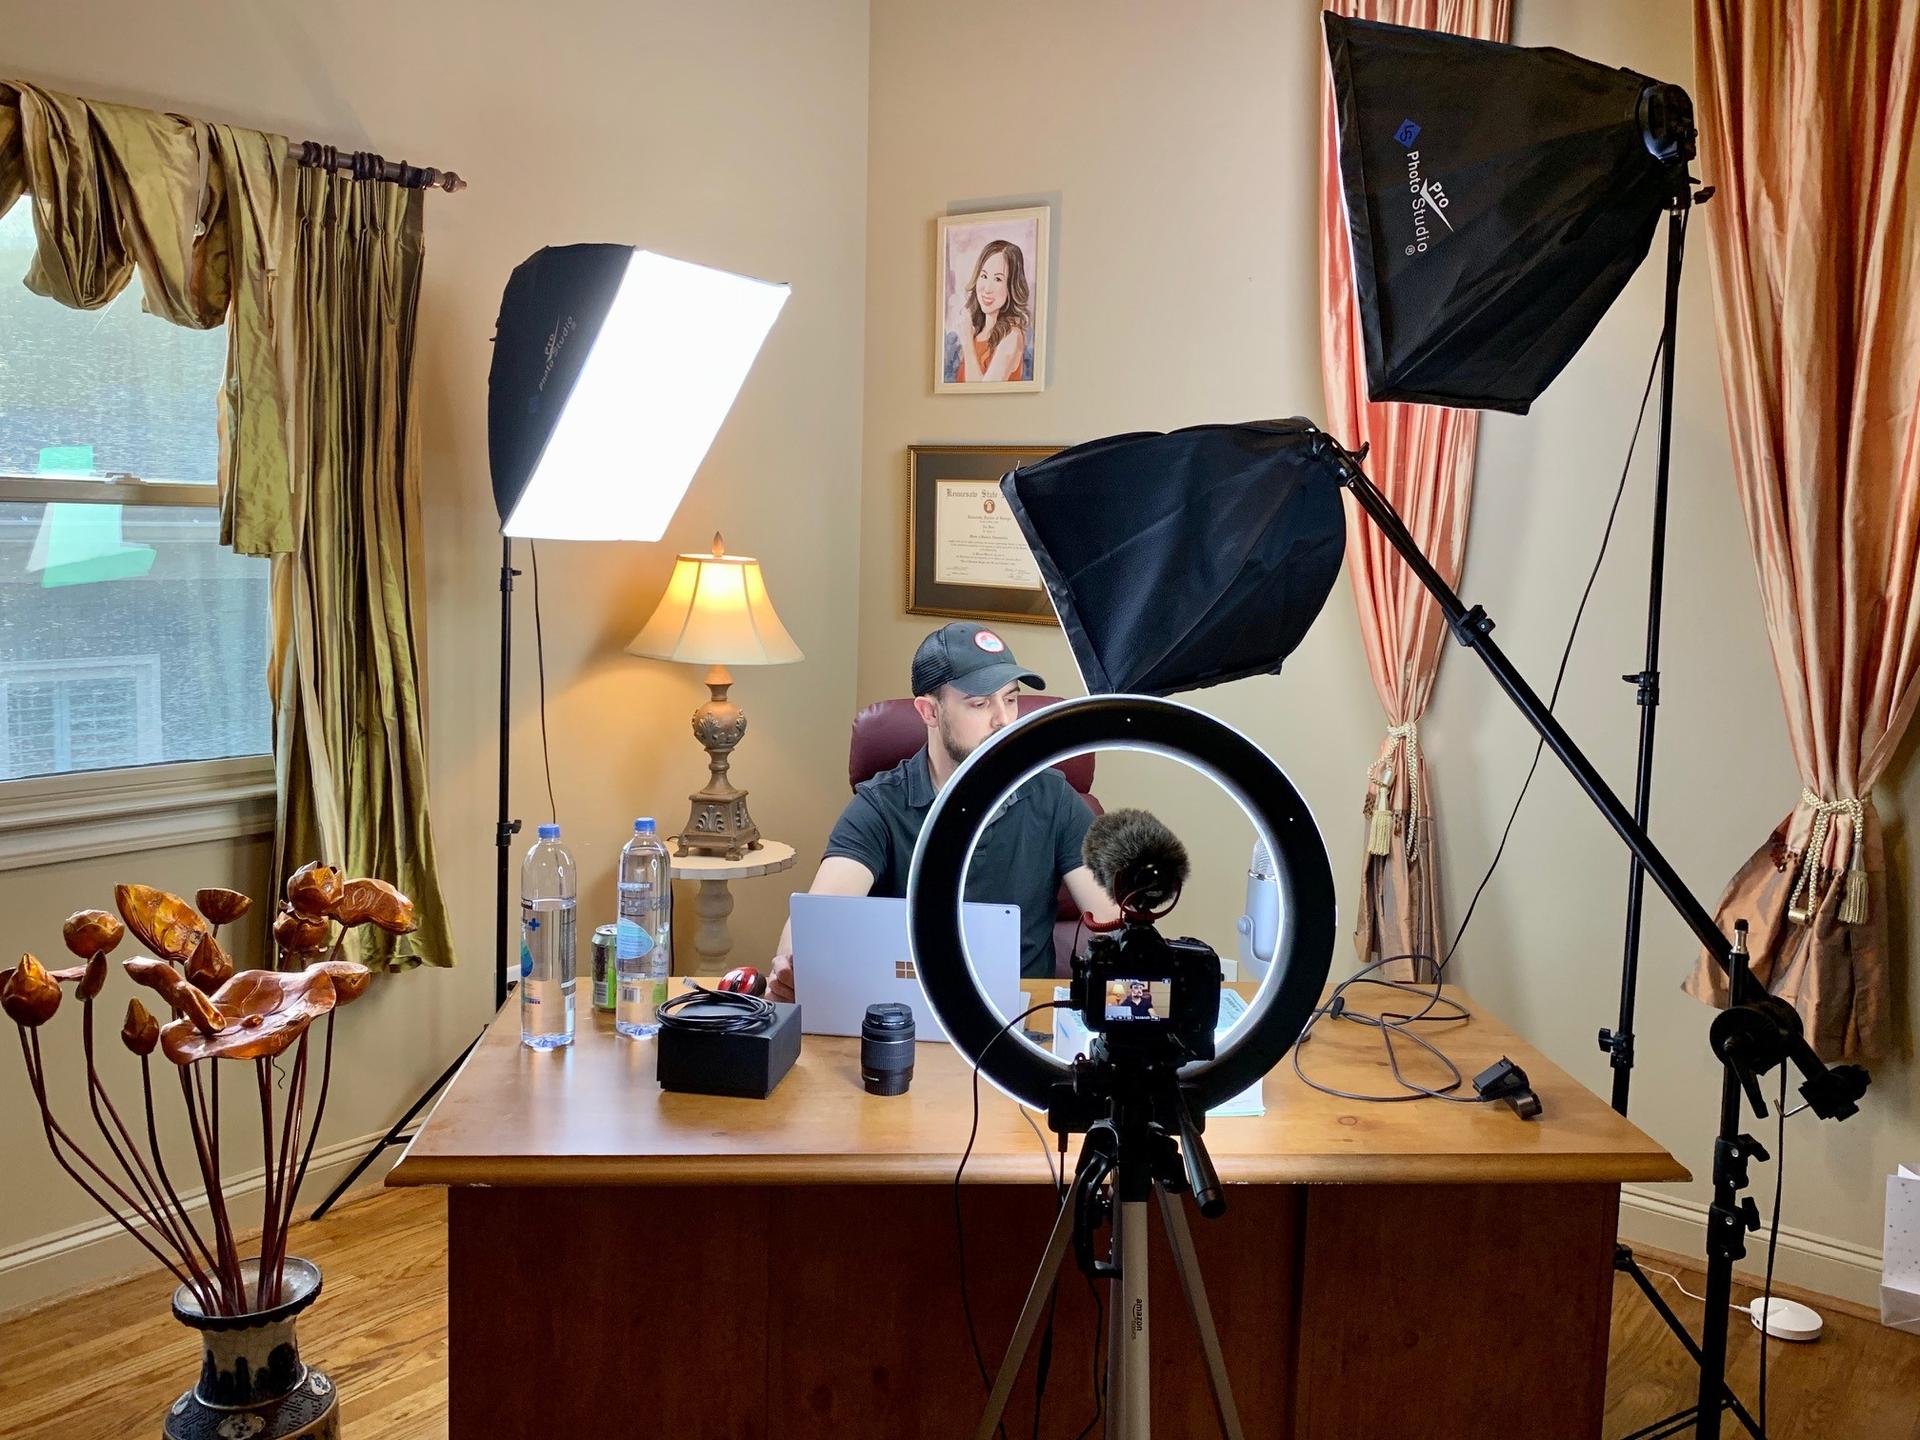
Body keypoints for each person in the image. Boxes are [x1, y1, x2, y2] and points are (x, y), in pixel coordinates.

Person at [769, 622, 1116, 1002]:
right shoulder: (881, 805)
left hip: (1022, 1016)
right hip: (908, 1011)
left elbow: (1113, 918)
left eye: (1011, 699)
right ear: (929, 711)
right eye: (980, 703)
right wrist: (792, 967)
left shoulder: (1053, 796)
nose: (1004, 720)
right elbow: (816, 922)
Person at [945, 238, 1032, 383]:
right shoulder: (976, 331)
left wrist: (967, 343)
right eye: (984, 276)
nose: (987, 288)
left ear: (1011, 286)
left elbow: (980, 391)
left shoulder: (1012, 336)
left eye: (998, 279)